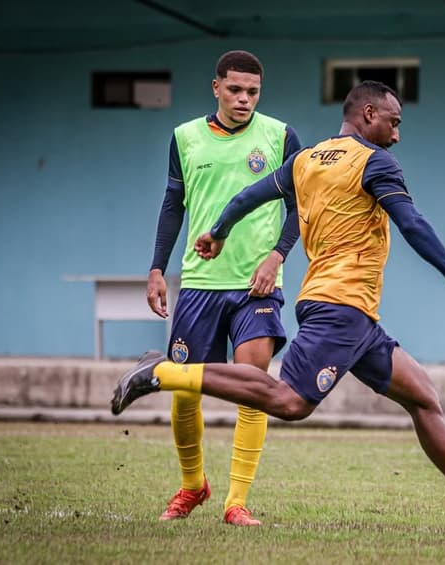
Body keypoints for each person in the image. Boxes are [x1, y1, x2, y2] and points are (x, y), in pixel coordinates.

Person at [114, 80, 445, 533]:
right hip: (340, 306)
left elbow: (248, 196)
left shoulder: (306, 160)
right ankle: (163, 372)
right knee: (289, 401)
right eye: (394, 122)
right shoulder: (376, 161)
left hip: (350, 311)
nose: (398, 134)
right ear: (368, 115)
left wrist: (220, 229)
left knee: (423, 396)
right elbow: (412, 224)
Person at [145, 49, 301, 526]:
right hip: (200, 283)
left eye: (252, 91)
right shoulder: (185, 137)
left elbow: (301, 207)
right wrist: (156, 268)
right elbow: (174, 204)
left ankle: (237, 502)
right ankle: (193, 486)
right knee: (185, 394)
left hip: (256, 286)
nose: (244, 99)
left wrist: (277, 256)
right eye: (235, 89)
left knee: (254, 387)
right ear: (216, 88)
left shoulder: (280, 136)